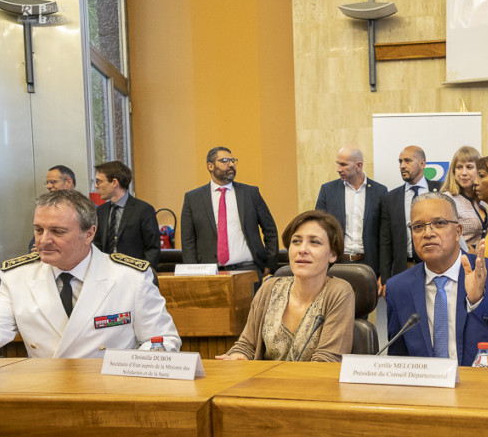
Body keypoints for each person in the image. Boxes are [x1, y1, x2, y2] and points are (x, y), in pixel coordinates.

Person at [0, 190, 180, 358]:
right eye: (39, 230)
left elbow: (163, 340)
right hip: (45, 388)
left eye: (58, 231)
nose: (44, 240)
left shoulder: (131, 277)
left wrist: (128, 371)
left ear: (89, 234)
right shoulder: (16, 277)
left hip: (111, 387)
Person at [385, 193, 488, 366]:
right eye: (418, 227)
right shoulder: (398, 288)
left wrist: (480, 299)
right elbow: (398, 359)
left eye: (439, 223)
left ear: (458, 231)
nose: (428, 233)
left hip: (485, 389)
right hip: (427, 391)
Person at [217, 210, 354, 361]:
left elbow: (328, 360)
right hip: (262, 383)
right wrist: (237, 356)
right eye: (296, 241)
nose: (302, 249)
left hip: (312, 384)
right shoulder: (269, 288)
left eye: (314, 242)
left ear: (333, 255)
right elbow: (246, 345)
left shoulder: (338, 291)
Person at [181, 147, 279, 280]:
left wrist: (269, 264)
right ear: (210, 166)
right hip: (209, 272)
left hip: (248, 269)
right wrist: (193, 272)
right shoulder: (193, 198)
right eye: (225, 161)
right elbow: (188, 240)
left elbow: (270, 230)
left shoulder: (250, 193)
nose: (231, 164)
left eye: (233, 161)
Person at [315, 146, 387, 277]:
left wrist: (383, 274)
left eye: (343, 165)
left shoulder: (380, 192)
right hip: (335, 265)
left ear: (358, 166)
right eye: (337, 164)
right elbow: (318, 229)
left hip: (369, 266)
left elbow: (385, 235)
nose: (338, 169)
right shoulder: (327, 191)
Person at [378, 146, 441, 290]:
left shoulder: (442, 191)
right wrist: (386, 279)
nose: (402, 166)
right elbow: (385, 243)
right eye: (400, 162)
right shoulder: (390, 199)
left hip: (436, 268)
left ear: (422, 164)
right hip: (403, 269)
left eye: (407, 161)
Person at [92, 160, 161, 269]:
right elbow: (97, 245)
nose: (96, 186)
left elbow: (153, 248)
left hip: (135, 274)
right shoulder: (101, 211)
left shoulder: (143, 210)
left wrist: (144, 273)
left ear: (114, 182)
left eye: (99, 181)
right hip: (105, 273)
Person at [440, 146, 488, 250]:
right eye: (459, 167)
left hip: (481, 261)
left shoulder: (481, 200)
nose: (464, 173)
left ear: (479, 170)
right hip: (460, 261)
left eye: (469, 167)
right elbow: (444, 236)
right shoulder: (447, 199)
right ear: (453, 171)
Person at [30, 165, 78, 252]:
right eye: (47, 182)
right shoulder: (45, 206)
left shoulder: (86, 208)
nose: (48, 186)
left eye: (52, 182)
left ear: (68, 182)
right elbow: (33, 243)